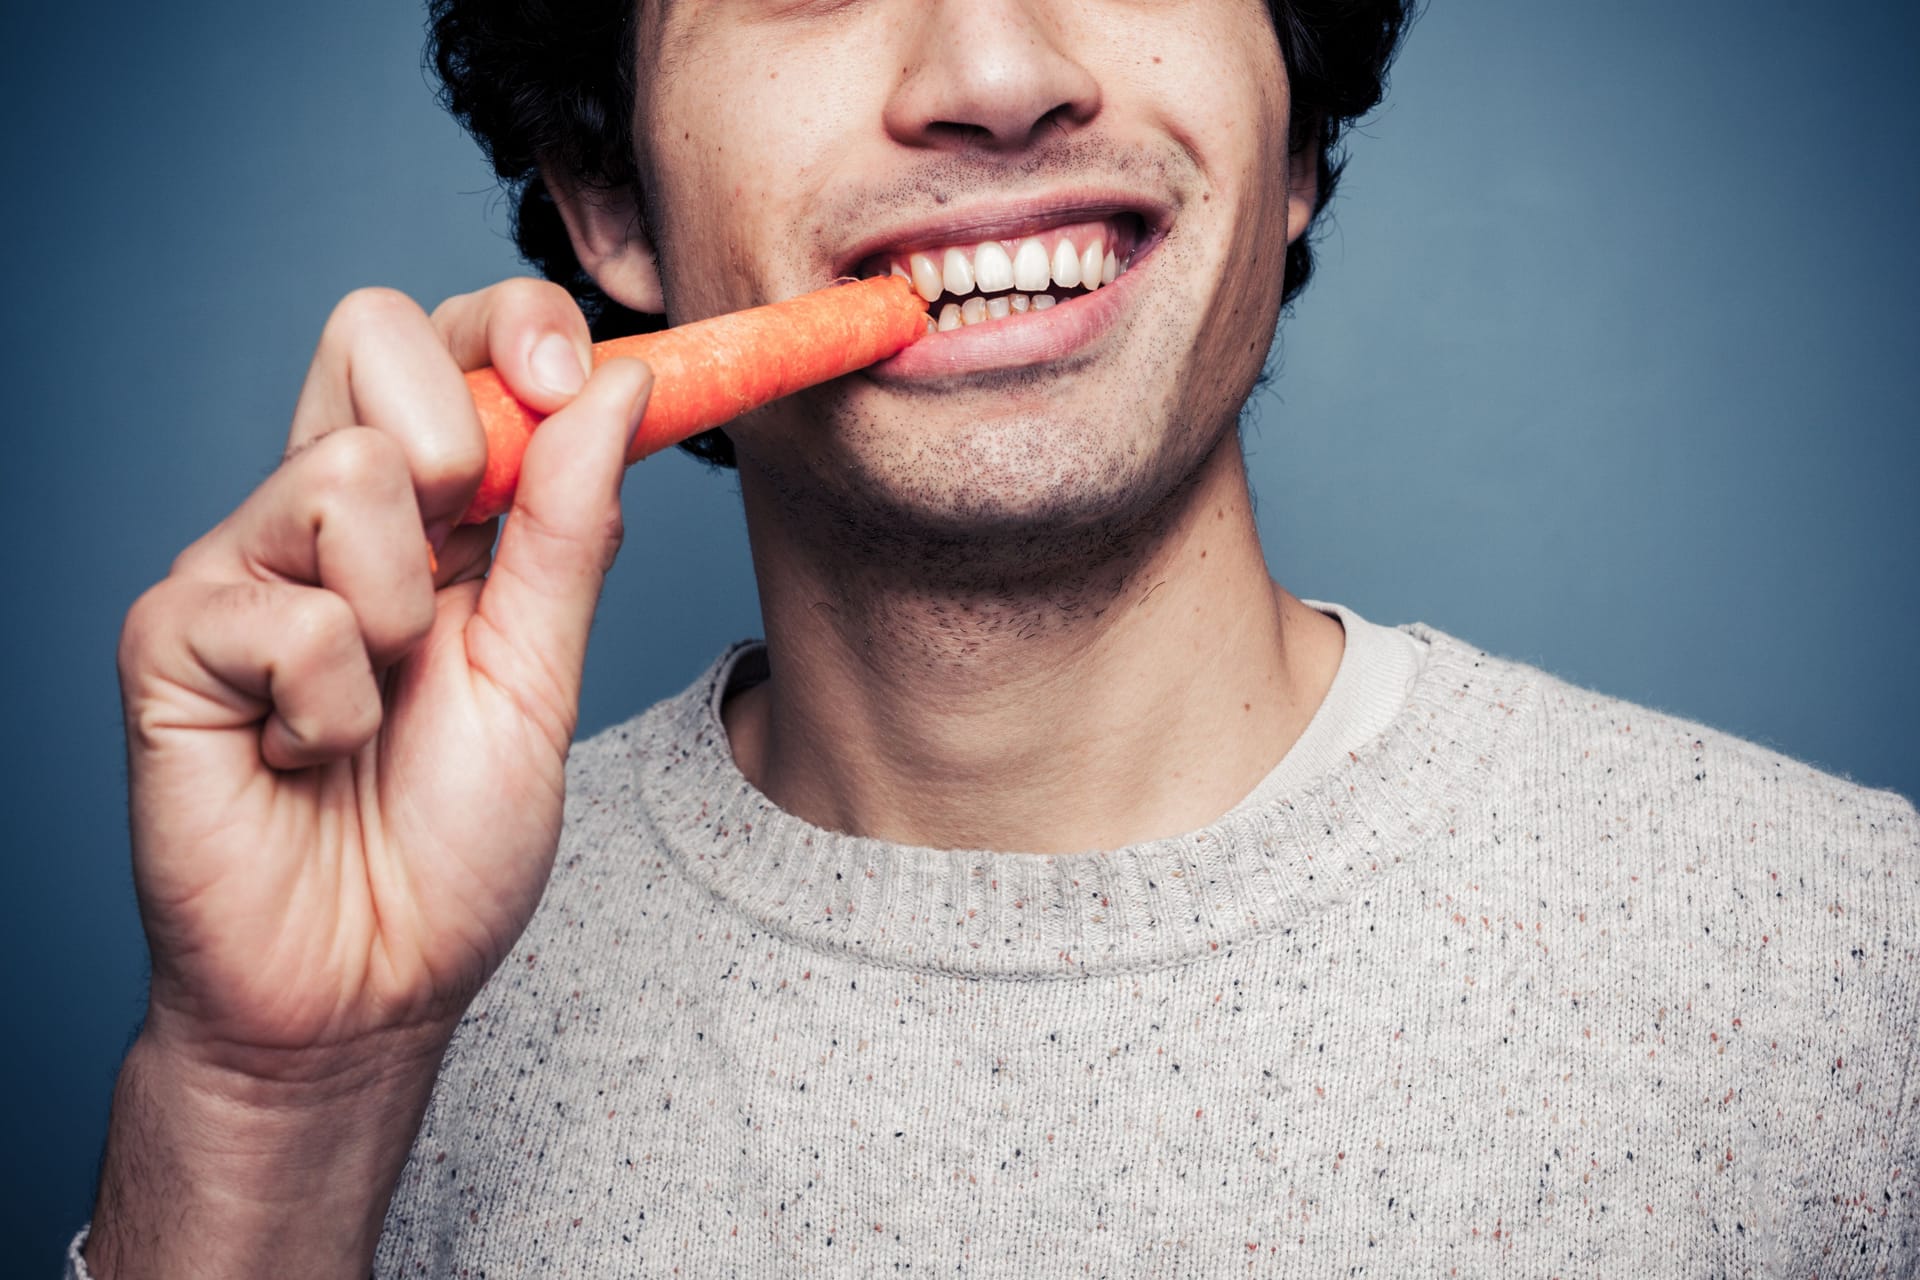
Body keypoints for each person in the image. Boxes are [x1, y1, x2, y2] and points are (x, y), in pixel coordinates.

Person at [72, 0, 1917, 1274]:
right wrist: (271, 1108)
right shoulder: (357, 1026)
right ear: (607, 200)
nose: (994, 68)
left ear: (1295, 136)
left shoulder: (1856, 971)